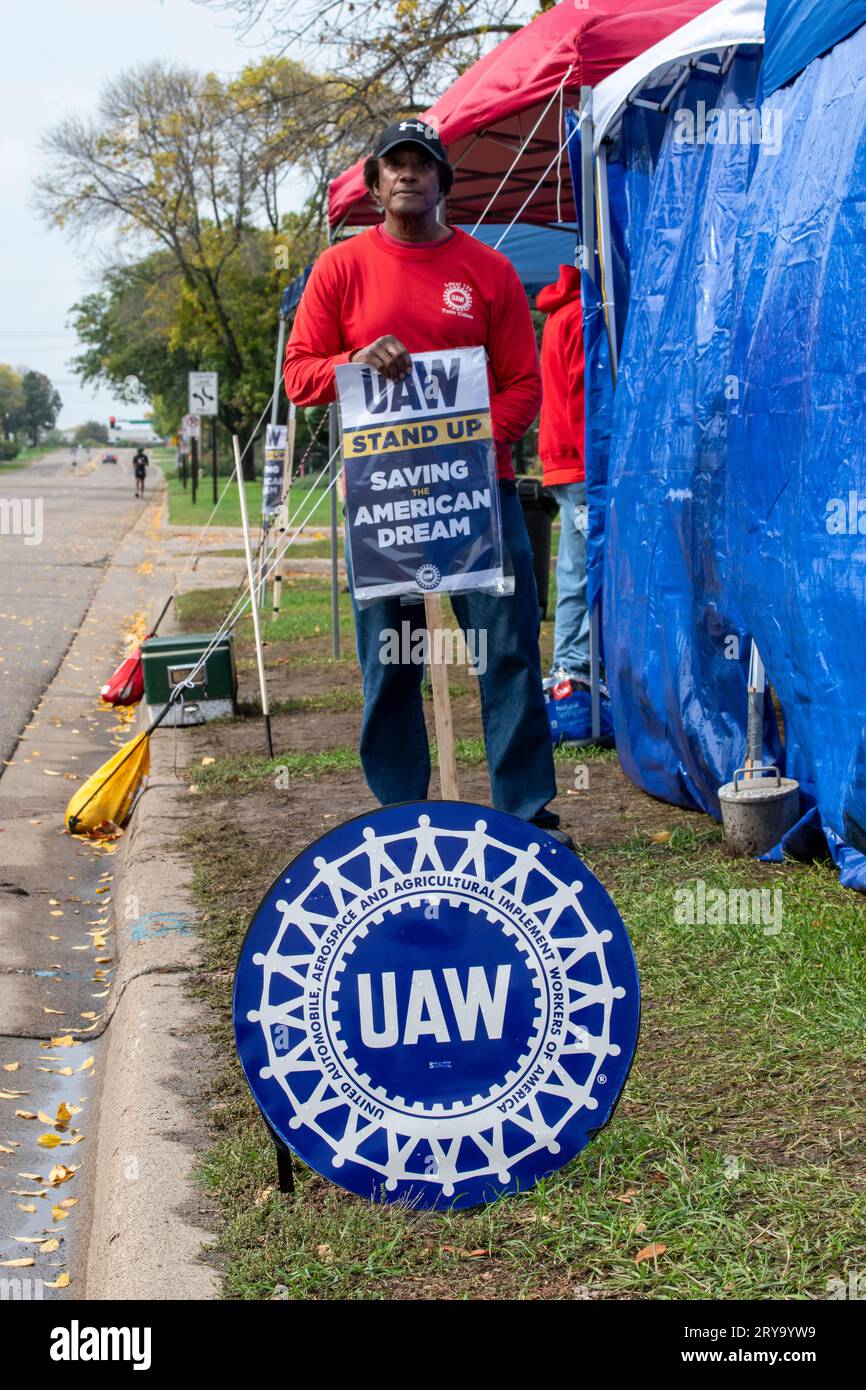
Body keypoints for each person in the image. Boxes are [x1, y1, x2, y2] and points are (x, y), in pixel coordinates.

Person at [284, 119, 569, 841]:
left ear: (444, 181)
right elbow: (298, 376)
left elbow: (521, 386)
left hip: (481, 498)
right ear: (375, 184)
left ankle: (526, 812)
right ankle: (398, 813)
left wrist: (470, 449)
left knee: (506, 652)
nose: (408, 174)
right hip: (382, 503)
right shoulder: (340, 269)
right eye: (394, 165)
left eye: (422, 164)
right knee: (391, 660)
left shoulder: (488, 271)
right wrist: (354, 361)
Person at [536, 262, 589, 690]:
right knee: (585, 569)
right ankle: (577, 671)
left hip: (563, 460)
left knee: (574, 569)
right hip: (580, 462)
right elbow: (583, 399)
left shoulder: (560, 311)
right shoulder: (582, 314)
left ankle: (568, 671)